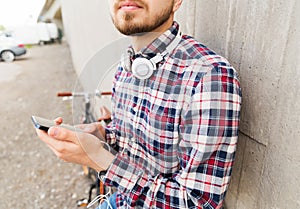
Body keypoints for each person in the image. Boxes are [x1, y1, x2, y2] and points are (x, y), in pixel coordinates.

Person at [36, 0, 242, 208]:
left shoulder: (209, 77)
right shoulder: (126, 65)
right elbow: (129, 139)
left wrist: (98, 158)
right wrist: (101, 134)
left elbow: (197, 203)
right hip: (122, 200)